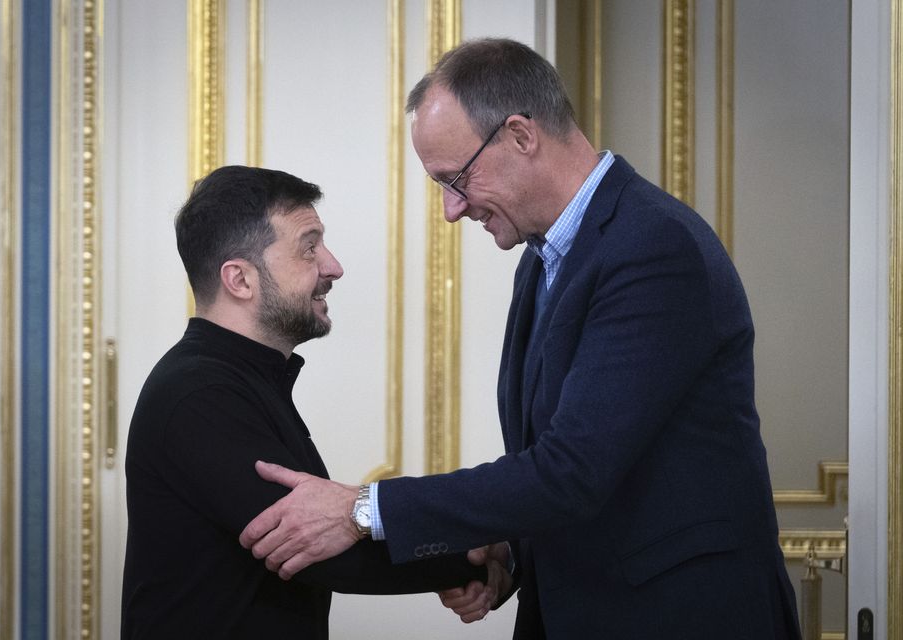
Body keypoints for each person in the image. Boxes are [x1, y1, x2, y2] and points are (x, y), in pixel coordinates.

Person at [237, 39, 801, 639]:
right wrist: (511, 551)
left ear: (520, 135)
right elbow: (580, 461)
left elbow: (573, 471)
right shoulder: (543, 257)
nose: (452, 209)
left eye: (456, 178)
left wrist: (362, 509)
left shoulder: (654, 248)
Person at [121, 165, 497, 640]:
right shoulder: (200, 393)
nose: (333, 266)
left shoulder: (239, 378)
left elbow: (327, 528)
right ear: (240, 279)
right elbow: (320, 551)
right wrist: (474, 557)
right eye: (309, 247)